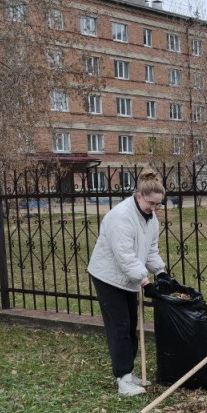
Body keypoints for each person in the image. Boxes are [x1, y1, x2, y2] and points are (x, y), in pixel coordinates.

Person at [87, 170, 168, 397]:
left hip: (128, 278)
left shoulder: (151, 220)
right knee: (120, 327)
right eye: (151, 203)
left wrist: (160, 272)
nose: (154, 209)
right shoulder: (121, 217)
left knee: (131, 325)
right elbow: (125, 256)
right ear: (139, 195)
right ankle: (123, 380)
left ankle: (129, 373)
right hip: (108, 277)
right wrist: (145, 281)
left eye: (158, 205)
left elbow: (150, 250)